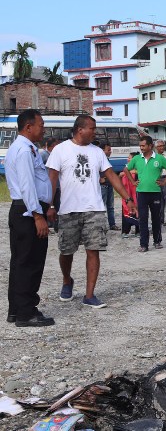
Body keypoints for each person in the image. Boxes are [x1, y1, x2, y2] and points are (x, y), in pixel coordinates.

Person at [46, 115, 135, 309]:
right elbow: (52, 179)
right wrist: (50, 205)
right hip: (69, 210)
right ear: (80, 129)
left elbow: (110, 175)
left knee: (93, 250)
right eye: (92, 128)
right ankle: (67, 280)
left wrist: (128, 198)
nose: (96, 132)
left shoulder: (97, 152)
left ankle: (89, 294)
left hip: (94, 209)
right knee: (66, 251)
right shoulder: (60, 150)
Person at [6, 109, 54, 327]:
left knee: (20, 261)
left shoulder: (25, 148)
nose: (43, 128)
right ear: (28, 127)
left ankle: (16, 309)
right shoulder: (24, 150)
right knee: (30, 262)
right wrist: (38, 216)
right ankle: (26, 312)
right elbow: (27, 185)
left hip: (24, 210)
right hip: (28, 212)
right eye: (40, 124)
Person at [124, 136, 166, 252]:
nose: (141, 148)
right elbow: (126, 169)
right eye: (140, 146)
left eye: (143, 146)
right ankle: (144, 244)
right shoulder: (137, 158)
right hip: (142, 193)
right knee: (143, 219)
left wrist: (165, 181)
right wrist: (133, 182)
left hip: (155, 192)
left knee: (156, 218)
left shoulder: (159, 158)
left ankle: (157, 241)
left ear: (150, 146)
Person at [98, 143, 120, 231]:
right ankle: (101, 226)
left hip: (109, 185)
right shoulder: (98, 160)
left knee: (110, 206)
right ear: (102, 150)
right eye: (108, 150)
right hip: (103, 186)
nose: (110, 152)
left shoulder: (107, 160)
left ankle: (112, 224)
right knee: (102, 207)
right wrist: (99, 179)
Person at [120, 152, 139, 237]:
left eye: (129, 158)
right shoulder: (125, 169)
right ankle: (125, 231)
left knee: (138, 210)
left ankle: (138, 230)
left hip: (136, 195)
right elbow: (119, 176)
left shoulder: (138, 170)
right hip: (126, 195)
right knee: (125, 210)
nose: (128, 159)